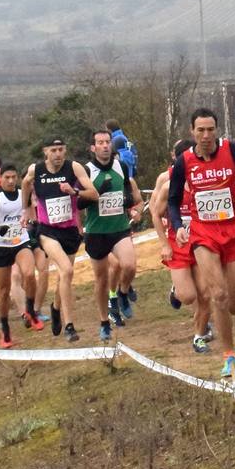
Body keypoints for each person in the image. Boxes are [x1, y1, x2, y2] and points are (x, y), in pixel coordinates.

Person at [166, 108, 235, 382]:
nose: (206, 135)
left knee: (232, 304)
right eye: (201, 130)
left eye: (210, 130)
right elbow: (173, 200)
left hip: (232, 231)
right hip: (203, 233)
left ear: (216, 130)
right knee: (217, 295)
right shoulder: (184, 161)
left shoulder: (233, 151)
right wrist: (177, 227)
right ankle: (228, 355)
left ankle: (226, 338)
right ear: (192, 132)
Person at [23, 139, 96, 343]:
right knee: (67, 270)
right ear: (45, 151)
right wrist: (26, 209)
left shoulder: (74, 167)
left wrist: (74, 191)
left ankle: (55, 308)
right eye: (53, 150)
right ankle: (69, 326)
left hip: (70, 231)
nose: (57, 154)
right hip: (47, 231)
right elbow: (25, 184)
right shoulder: (35, 170)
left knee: (64, 277)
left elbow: (94, 194)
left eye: (61, 149)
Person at [148, 150, 213, 349]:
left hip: (200, 243)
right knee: (188, 296)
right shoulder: (168, 187)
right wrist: (165, 244)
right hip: (178, 246)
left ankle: (199, 335)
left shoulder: (204, 185)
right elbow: (155, 214)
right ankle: (177, 291)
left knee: (205, 294)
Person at [81, 128, 141, 341]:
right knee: (101, 280)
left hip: (119, 228)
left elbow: (126, 190)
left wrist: (128, 202)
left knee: (130, 266)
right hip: (97, 231)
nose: (105, 145)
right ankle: (104, 321)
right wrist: (100, 193)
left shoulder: (121, 166)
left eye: (107, 142)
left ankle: (123, 293)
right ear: (93, 148)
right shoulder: (86, 171)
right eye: (100, 142)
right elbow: (78, 203)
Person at [0, 163, 38, 348]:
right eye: (7, 177)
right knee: (3, 290)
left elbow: (29, 211)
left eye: (14, 177)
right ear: (0, 178)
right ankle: (5, 328)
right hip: (1, 245)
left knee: (30, 274)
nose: (11, 181)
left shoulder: (23, 193)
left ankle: (30, 311)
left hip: (20, 241)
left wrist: (30, 220)